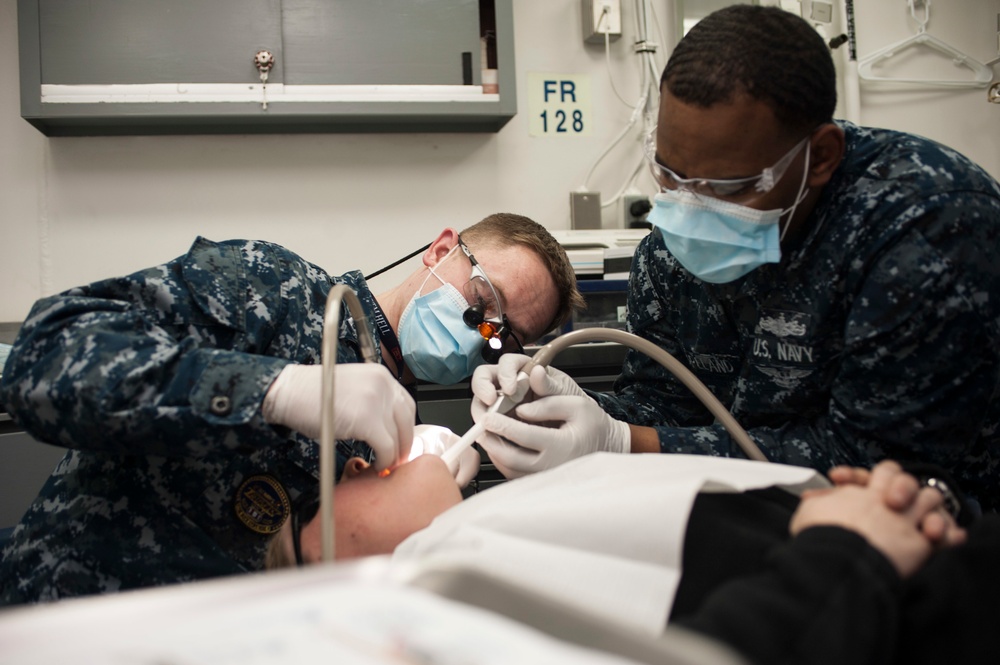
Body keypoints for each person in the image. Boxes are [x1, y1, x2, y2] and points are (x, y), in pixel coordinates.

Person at [470, 5, 1000, 514]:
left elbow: (873, 470)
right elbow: (665, 409)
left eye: (730, 187)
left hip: (923, 550)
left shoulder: (928, 228)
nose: (691, 208)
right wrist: (562, 412)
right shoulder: (669, 250)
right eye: (670, 175)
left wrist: (620, 441)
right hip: (744, 524)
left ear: (823, 157)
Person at [0, 212, 583, 604]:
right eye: (482, 302)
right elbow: (45, 354)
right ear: (441, 249)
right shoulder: (275, 290)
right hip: (64, 615)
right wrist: (275, 390)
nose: (479, 334)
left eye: (499, 336)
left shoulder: (395, 429)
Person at [271, 452, 993, 665]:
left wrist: (908, 505)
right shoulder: (442, 595)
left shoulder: (504, 510)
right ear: (328, 562)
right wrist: (850, 551)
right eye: (338, 481)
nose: (362, 459)